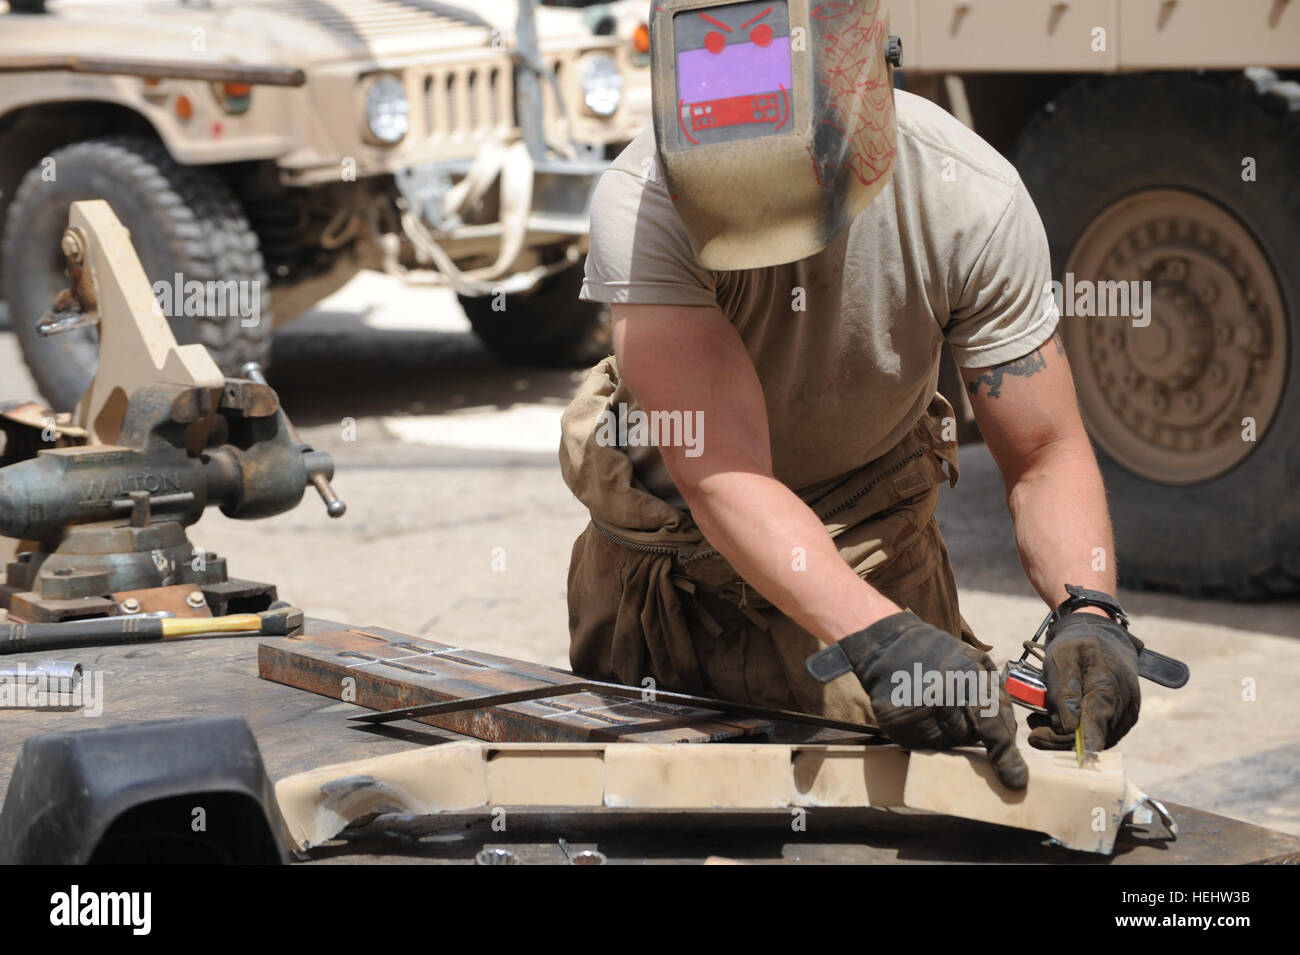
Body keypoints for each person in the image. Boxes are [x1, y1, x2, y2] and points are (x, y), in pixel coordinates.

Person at [559, 0, 1142, 789]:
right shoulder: (647, 201)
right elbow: (724, 473)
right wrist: (879, 638)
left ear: (868, 82)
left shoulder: (968, 198)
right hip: (677, 572)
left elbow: (1045, 453)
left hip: (872, 538)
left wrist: (1092, 612)